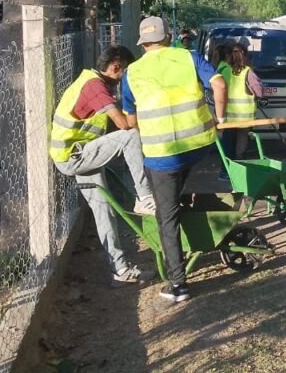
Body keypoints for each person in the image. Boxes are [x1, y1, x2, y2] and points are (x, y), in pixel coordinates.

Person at [121, 17, 227, 303]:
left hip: (161, 158)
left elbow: (131, 122)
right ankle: (208, 238)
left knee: (167, 217)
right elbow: (219, 85)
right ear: (169, 37)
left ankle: (178, 284)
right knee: (199, 194)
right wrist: (220, 118)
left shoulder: (131, 73)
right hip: (200, 148)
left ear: (142, 44)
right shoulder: (188, 57)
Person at [49, 45, 156, 285]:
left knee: (104, 211)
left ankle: (120, 270)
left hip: (78, 154)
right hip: (74, 156)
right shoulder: (94, 87)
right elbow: (122, 125)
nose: (123, 79)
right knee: (130, 137)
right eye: (124, 73)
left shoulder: (93, 81)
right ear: (116, 67)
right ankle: (144, 197)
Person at [220, 42, 261, 160]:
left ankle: (226, 171)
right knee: (241, 146)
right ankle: (240, 167)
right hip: (245, 119)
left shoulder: (223, 70)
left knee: (228, 144)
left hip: (228, 118)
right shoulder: (248, 72)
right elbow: (260, 92)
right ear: (245, 56)